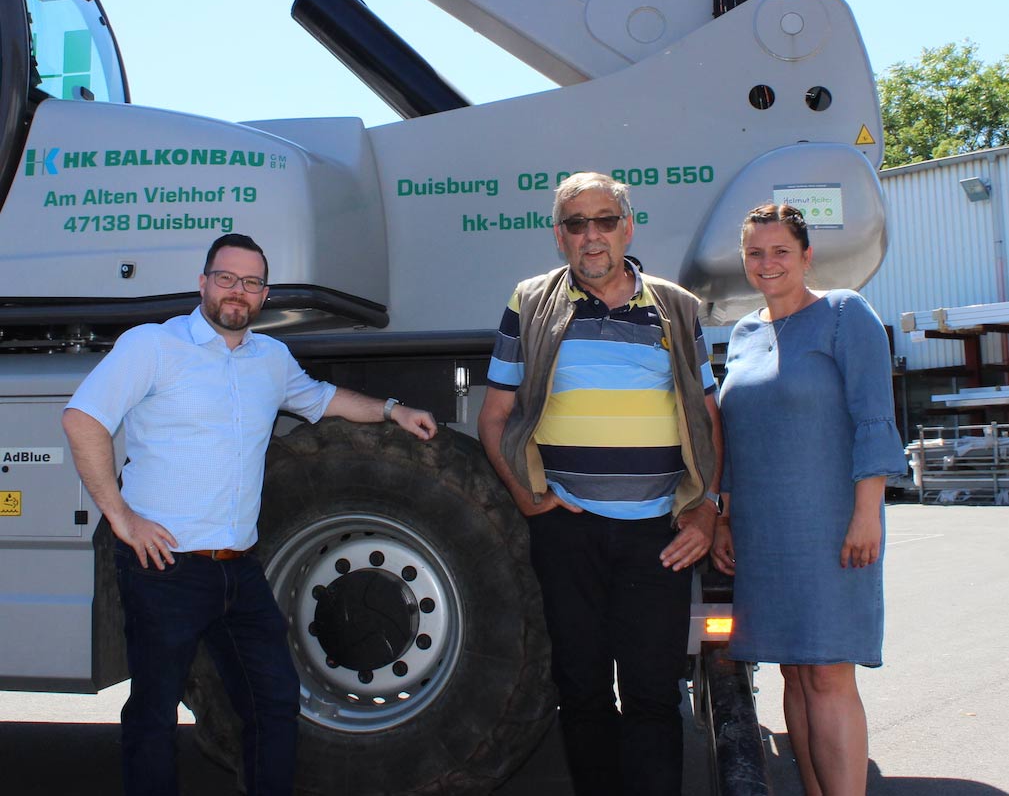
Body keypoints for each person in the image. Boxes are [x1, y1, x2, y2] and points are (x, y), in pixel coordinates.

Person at [62, 233, 437, 796]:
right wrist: (121, 518)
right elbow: (83, 419)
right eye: (227, 278)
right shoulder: (153, 346)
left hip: (238, 570)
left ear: (264, 295)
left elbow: (322, 399)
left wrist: (392, 410)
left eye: (252, 282)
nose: (238, 291)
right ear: (203, 283)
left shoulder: (271, 359)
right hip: (164, 568)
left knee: (274, 702)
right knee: (154, 715)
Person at [478, 172, 722, 796]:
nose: (592, 235)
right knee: (582, 691)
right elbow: (495, 416)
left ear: (628, 228)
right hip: (568, 531)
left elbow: (707, 416)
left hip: (658, 535)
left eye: (605, 220)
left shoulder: (676, 307)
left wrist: (707, 509)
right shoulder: (530, 302)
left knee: (653, 696)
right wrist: (529, 498)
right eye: (576, 223)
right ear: (558, 236)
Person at [712, 204, 906, 796]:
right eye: (755, 253)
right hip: (762, 532)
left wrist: (867, 513)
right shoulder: (743, 334)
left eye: (780, 252)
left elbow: (874, 417)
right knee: (794, 673)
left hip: (831, 527)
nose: (767, 263)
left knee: (827, 673)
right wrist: (724, 517)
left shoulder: (845, 314)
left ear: (806, 256)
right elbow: (733, 438)